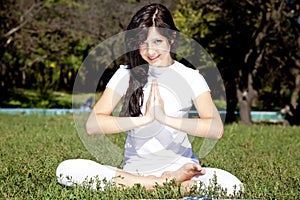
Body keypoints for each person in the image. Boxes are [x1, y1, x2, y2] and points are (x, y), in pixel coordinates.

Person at [56, 3, 242, 195]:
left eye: (157, 42)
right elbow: (93, 125)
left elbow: (216, 129)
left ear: (172, 38)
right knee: (67, 169)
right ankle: (166, 184)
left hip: (181, 167)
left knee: (232, 185)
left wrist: (164, 119)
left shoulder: (190, 77)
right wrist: (144, 119)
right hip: (135, 172)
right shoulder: (126, 74)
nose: (150, 51)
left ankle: (148, 186)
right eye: (142, 43)